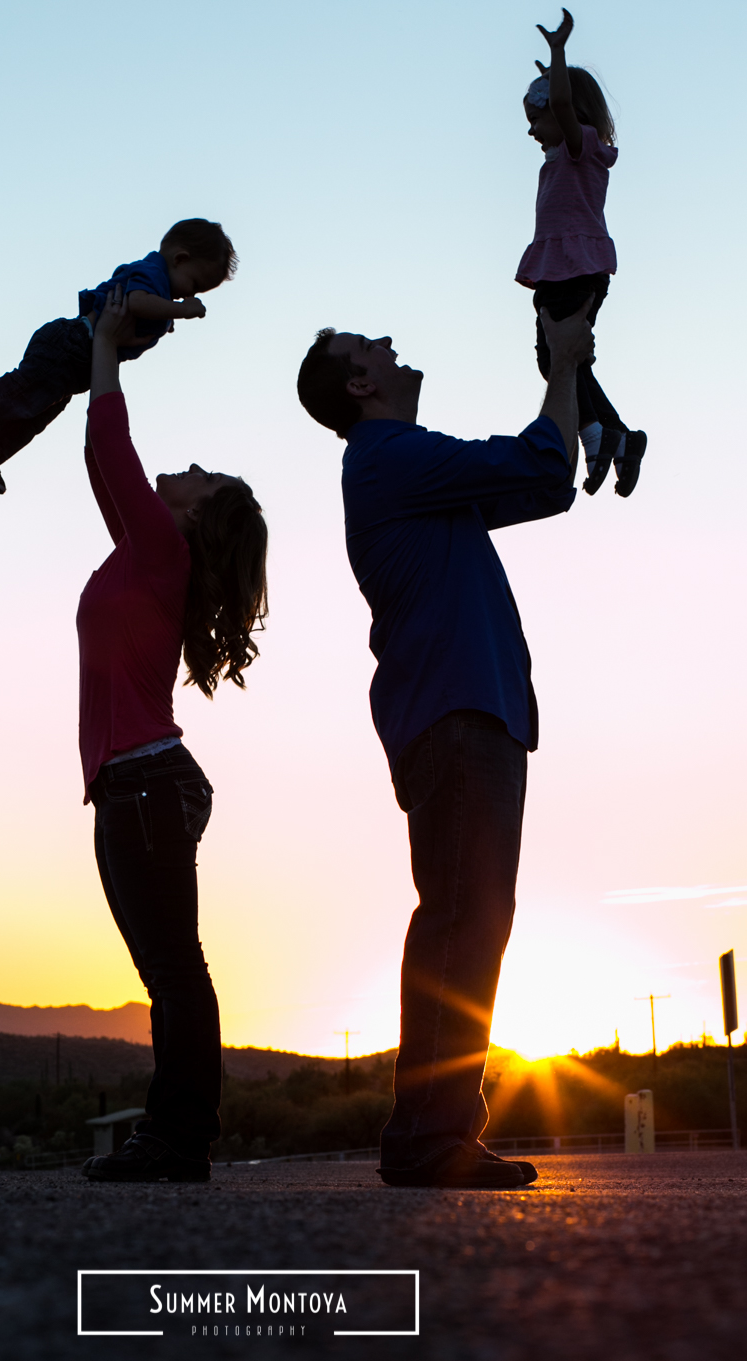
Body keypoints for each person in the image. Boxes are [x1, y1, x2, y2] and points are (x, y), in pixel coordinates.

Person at [296, 301, 595, 1189]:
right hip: (458, 712)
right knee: (463, 918)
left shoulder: (416, 477)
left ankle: (433, 1133)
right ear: (361, 383)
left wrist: (569, 381)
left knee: (469, 918)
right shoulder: (391, 457)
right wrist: (565, 366)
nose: (390, 343)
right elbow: (541, 457)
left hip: (475, 710)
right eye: (371, 345)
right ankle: (430, 1138)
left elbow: (547, 483)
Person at [79, 287, 268, 1184]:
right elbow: (108, 474)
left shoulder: (164, 550)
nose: (184, 470)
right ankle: (175, 1134)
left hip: (148, 785)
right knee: (167, 968)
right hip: (137, 784)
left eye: (203, 477)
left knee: (174, 969)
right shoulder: (145, 554)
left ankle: (180, 1138)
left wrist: (108, 346)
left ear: (197, 516)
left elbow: (108, 452)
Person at [0, 218, 237, 495]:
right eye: (195, 285)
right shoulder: (153, 273)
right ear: (180, 259)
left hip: (78, 363)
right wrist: (181, 312)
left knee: (36, 414)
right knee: (24, 390)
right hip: (73, 344)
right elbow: (136, 302)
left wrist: (164, 320)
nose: (190, 296)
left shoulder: (160, 287)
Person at [520, 9, 646, 496]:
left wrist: (558, 55)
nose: (532, 132)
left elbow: (568, 109)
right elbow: (561, 109)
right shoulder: (562, 156)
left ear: (565, 109)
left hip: (574, 266)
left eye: (538, 118)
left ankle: (598, 437)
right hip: (567, 266)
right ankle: (621, 439)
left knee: (557, 358)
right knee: (563, 359)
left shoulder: (580, 147)